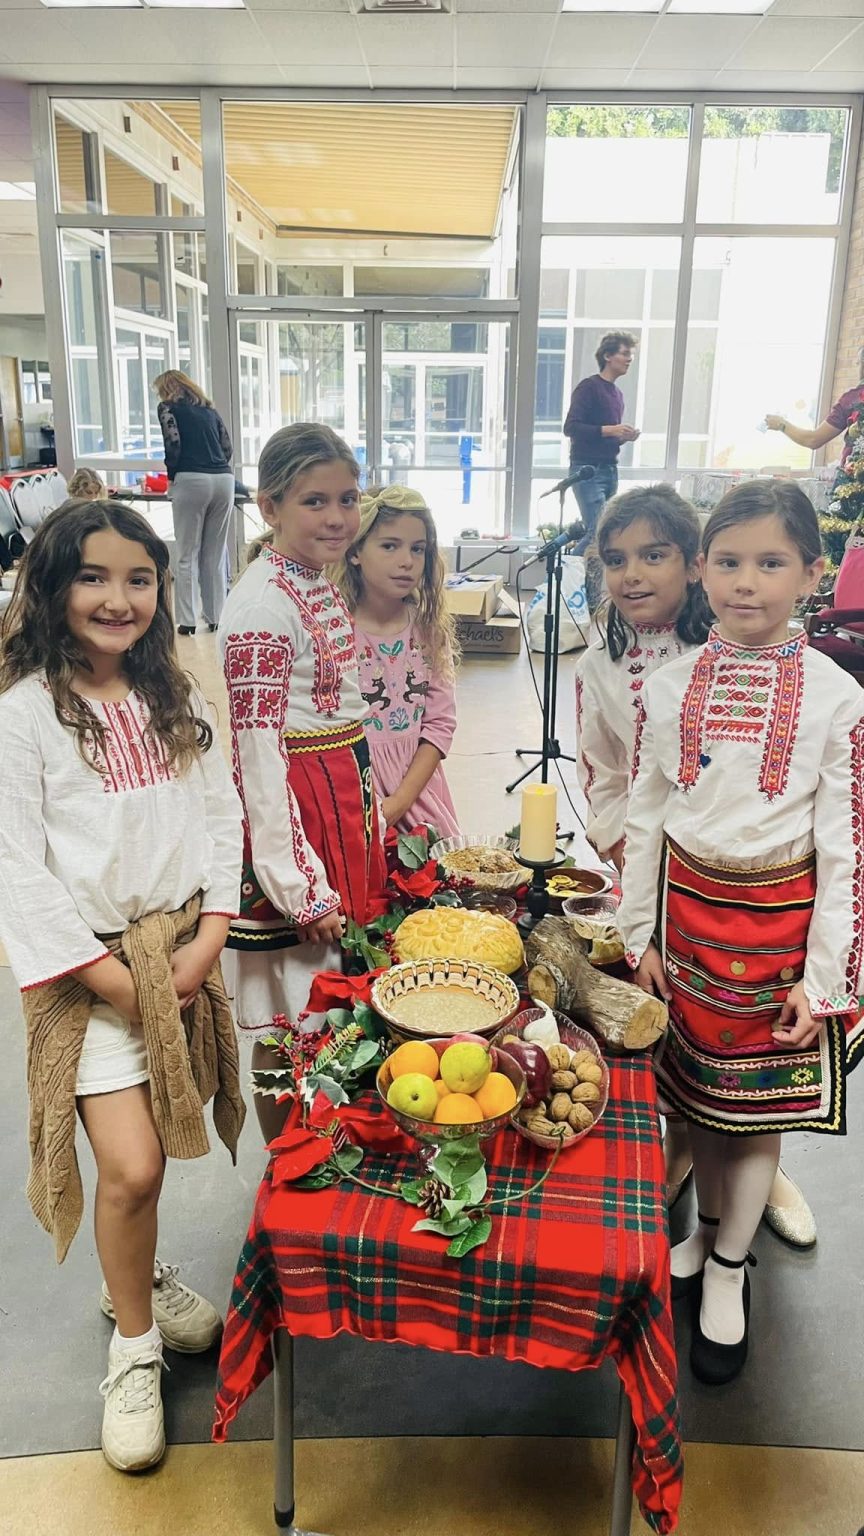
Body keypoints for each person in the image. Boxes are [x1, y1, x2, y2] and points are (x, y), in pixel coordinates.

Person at [0, 498, 245, 1472]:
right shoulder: (26, 713)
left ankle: (130, 1277)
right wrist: (113, 981)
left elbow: (220, 814)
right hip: (91, 974)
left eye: (138, 579)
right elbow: (17, 869)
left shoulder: (170, 692)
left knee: (157, 1149)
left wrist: (213, 933)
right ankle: (134, 1348)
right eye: (93, 577)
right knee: (134, 1166)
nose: (118, 598)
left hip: (176, 955)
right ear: (52, 588)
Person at [617, 480, 863, 1386]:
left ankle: (729, 1267)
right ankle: (711, 1231)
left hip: (778, 936)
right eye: (727, 561)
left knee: (755, 1113)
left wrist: (826, 979)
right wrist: (638, 935)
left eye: (770, 563)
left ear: (812, 573)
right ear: (700, 567)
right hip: (686, 924)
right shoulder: (669, 684)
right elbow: (646, 815)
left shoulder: (838, 696)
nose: (745, 582)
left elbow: (847, 846)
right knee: (696, 1097)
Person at [576, 483, 816, 1245]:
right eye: (616, 560)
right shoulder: (600, 657)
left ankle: (761, 1161)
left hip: (745, 880)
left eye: (654, 555)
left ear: (693, 564)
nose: (633, 574)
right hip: (648, 863)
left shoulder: (735, 641)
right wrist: (619, 844)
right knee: (672, 1012)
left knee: (748, 1028)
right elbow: (603, 766)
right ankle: (682, 1138)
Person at [218, 423, 387, 1138]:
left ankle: (327, 1140)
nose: (338, 517)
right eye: (315, 501)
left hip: (339, 794)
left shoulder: (312, 581)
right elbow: (257, 754)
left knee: (334, 999)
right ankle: (286, 1160)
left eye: (348, 499)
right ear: (269, 507)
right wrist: (295, 883)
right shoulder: (262, 607)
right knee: (292, 1010)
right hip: (297, 813)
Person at [333, 484, 460, 839]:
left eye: (418, 549)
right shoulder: (333, 630)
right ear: (355, 551)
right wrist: (369, 806)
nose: (407, 561)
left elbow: (440, 724)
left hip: (418, 794)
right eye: (390, 546)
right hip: (352, 794)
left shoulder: (428, 630)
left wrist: (398, 803)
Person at [152, 370, 235, 637]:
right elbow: (227, 448)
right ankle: (216, 617)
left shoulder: (168, 408)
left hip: (191, 478)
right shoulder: (210, 410)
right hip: (223, 479)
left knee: (187, 553)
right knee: (215, 553)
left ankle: (187, 620)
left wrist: (172, 476)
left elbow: (173, 443)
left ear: (166, 389)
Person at [562, 331, 640, 556]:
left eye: (630, 355)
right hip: (587, 471)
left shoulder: (617, 394)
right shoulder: (589, 387)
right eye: (624, 353)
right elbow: (571, 427)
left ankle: (587, 576)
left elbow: (601, 438)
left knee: (605, 533)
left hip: (609, 469)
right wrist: (610, 430)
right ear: (607, 356)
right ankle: (570, 573)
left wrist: (622, 437)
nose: (629, 359)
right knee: (595, 533)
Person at [763, 347, 864, 464]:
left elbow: (813, 440)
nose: (857, 366)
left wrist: (782, 425)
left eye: (858, 363)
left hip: (856, 472)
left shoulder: (853, 399)